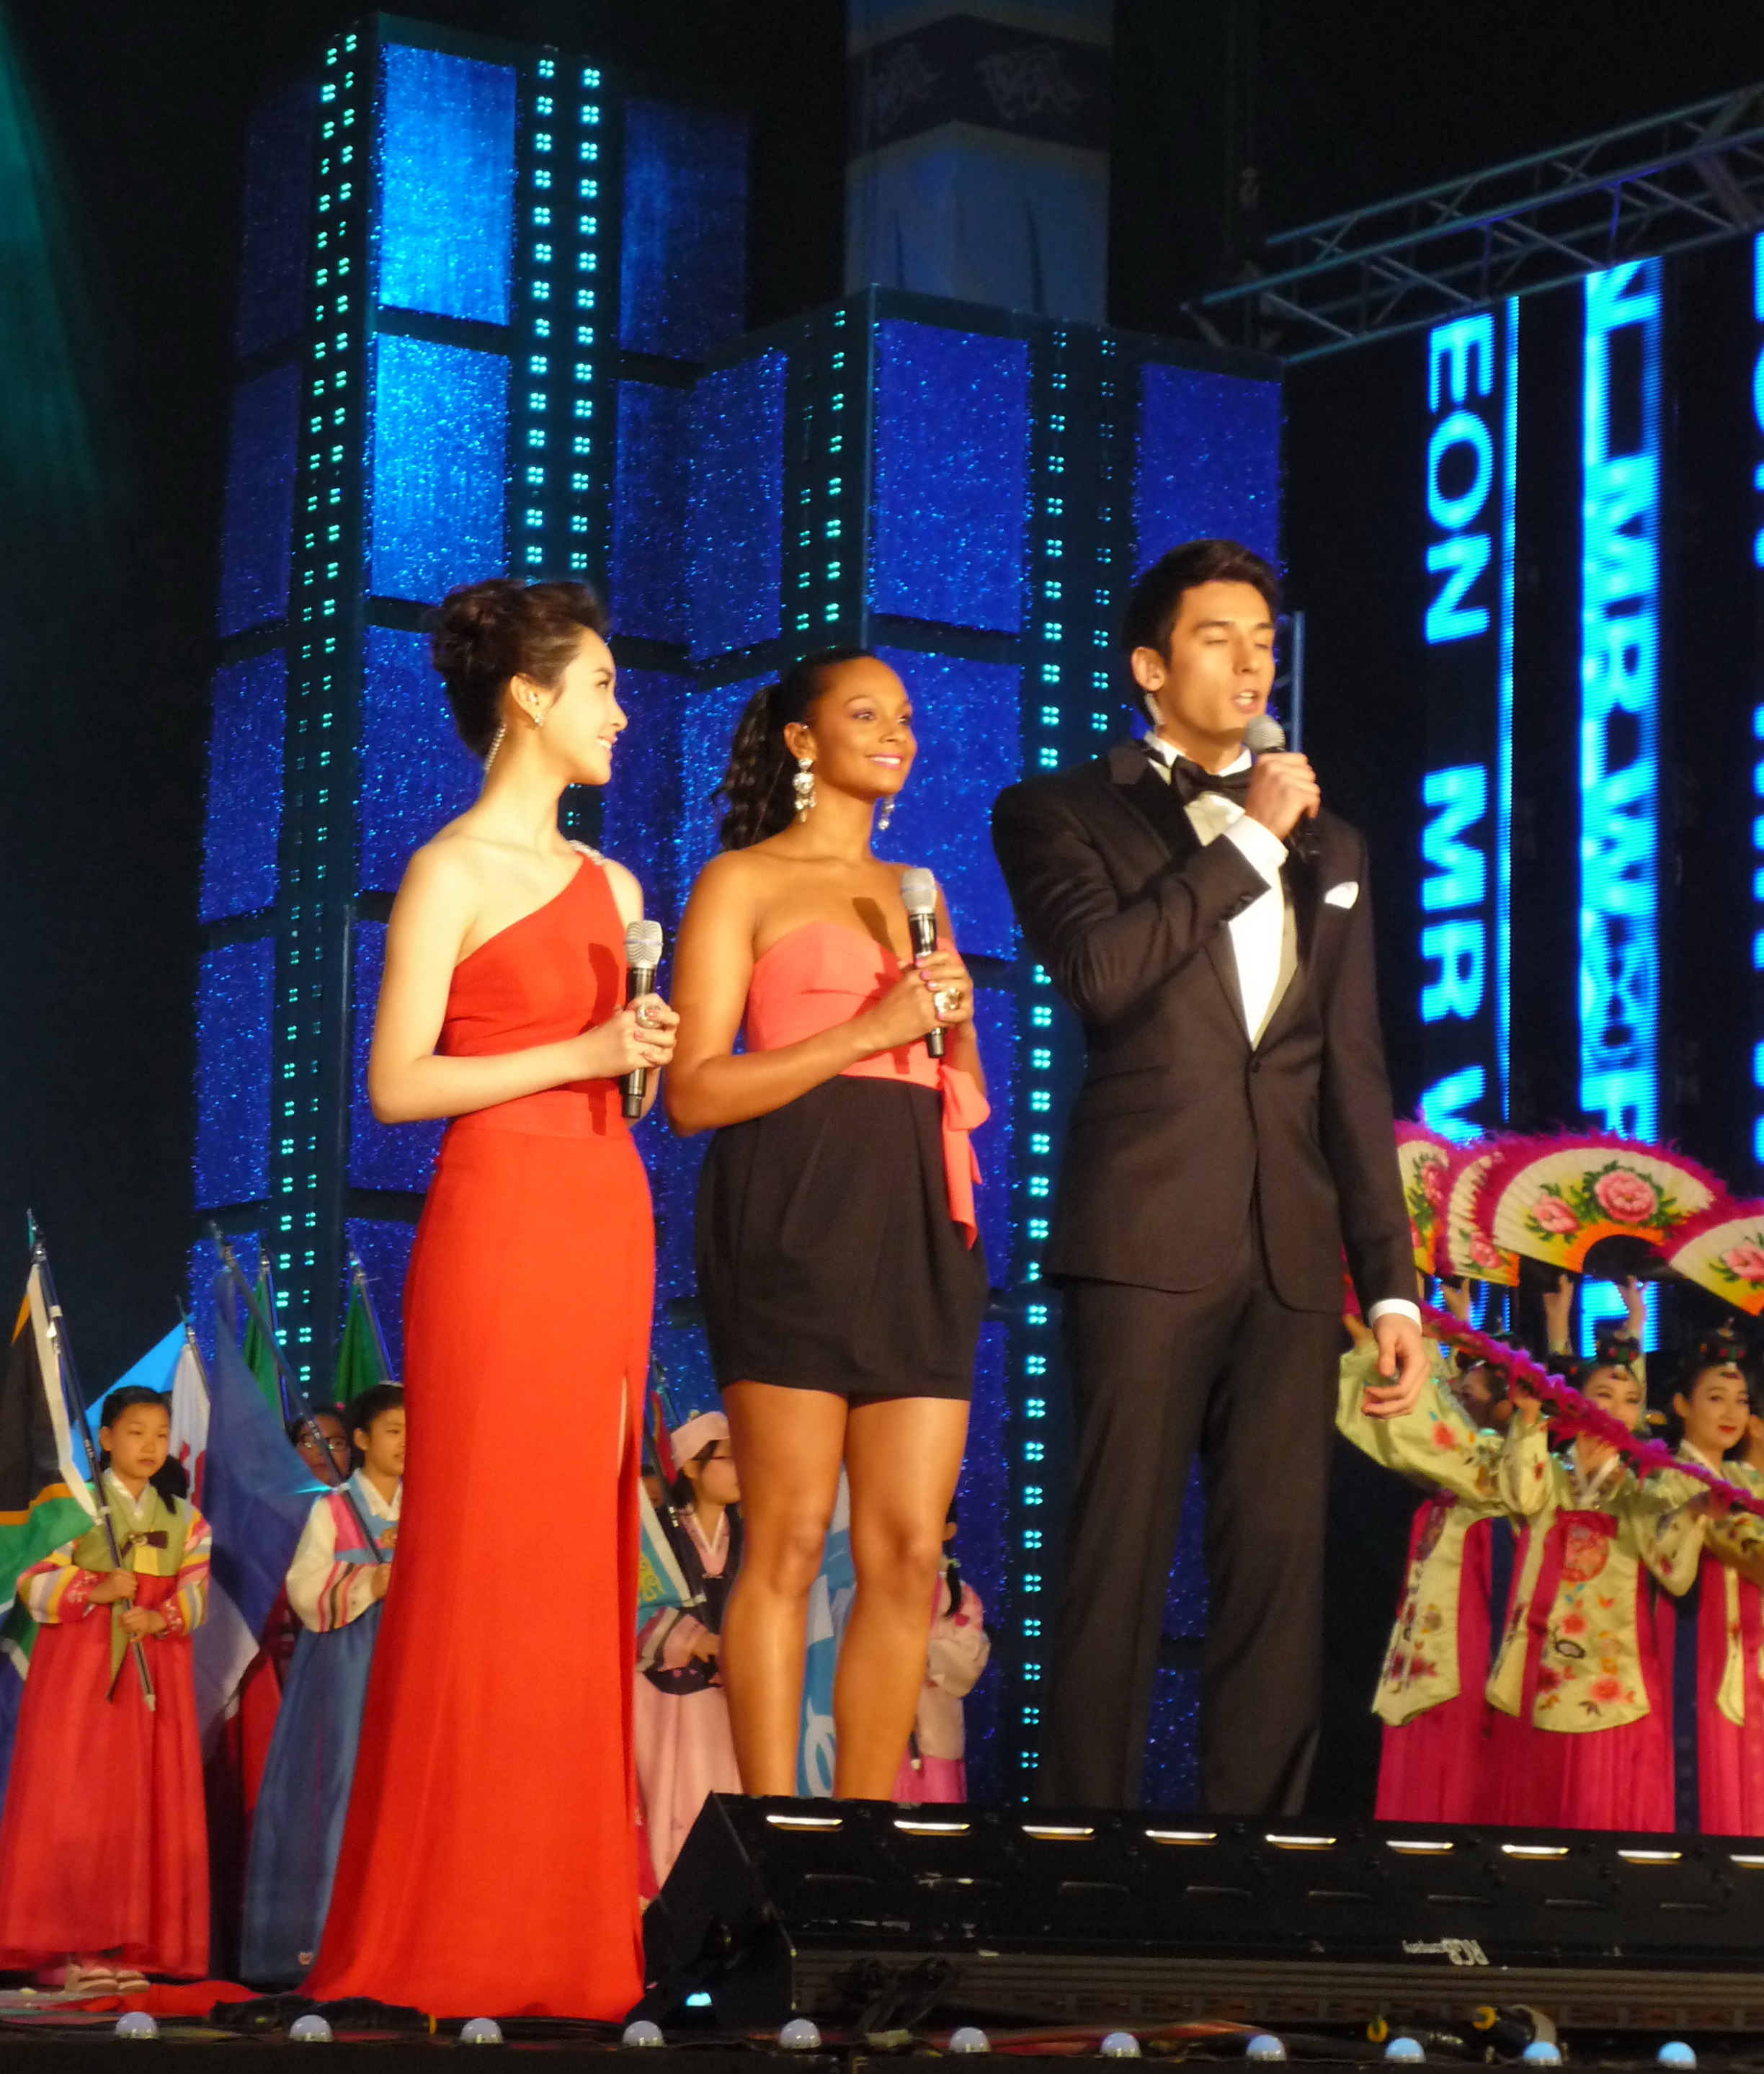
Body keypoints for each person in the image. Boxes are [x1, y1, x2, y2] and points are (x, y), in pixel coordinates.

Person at [990, 538, 1425, 1815]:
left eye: (1263, 642)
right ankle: (1081, 1849)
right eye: (1217, 638)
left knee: (1278, 1574)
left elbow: (1350, 1070)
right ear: (1149, 666)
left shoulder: (1337, 845)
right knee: (1115, 1557)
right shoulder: (1058, 810)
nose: (1249, 664)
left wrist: (1389, 1284)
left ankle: (1256, 1867)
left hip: (1289, 1249)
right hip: (1143, 1231)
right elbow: (1101, 975)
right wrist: (1246, 837)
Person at [306, 579, 678, 2019]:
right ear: (529, 695)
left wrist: (632, 1053)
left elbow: (614, 1081)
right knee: (480, 1558)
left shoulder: (620, 890)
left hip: (602, 1215)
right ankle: (437, 1929)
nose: (619, 713)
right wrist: (582, 1046)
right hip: (498, 1221)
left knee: (578, 1566)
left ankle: (564, 1937)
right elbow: (399, 1083)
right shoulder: (447, 869)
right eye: (600, 686)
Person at [667, 649, 989, 1802]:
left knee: (908, 1550)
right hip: (793, 1206)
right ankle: (771, 1835)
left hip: (918, 1212)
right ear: (803, 740)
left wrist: (953, 1022)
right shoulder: (740, 882)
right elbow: (694, 1092)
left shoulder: (920, 888)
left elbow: (959, 1085)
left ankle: (865, 1837)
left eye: (904, 715)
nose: (896, 732)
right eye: (865, 714)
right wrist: (867, 1029)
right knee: (792, 1537)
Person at [0, 1389, 210, 1992]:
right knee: (75, 1797)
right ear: (107, 1439)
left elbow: (198, 1590)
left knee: (142, 1801)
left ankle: (128, 1942)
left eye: (161, 1434)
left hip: (154, 1669)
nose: (150, 1445)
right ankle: (66, 1944)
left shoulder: (186, 1518)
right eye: (136, 1432)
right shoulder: (76, 1507)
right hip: (80, 1670)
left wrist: (160, 1617)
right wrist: (94, 1588)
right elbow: (31, 1577)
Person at [1490, 1339, 1707, 1831]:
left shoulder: (1642, 1489)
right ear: (1574, 1402)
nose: (1618, 1409)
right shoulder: (1548, 1473)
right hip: (1543, 1665)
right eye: (1604, 1395)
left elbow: (1674, 1572)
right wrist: (1529, 1419)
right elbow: (1521, 1498)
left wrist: (1695, 1512)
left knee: (1608, 1812)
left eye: (1631, 1400)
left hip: (1615, 1671)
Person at [241, 1385, 405, 1984]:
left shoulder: (428, 1508)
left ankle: (396, 1938)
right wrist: (366, 1583)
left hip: (407, 1660)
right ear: (361, 1440)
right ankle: (320, 1939)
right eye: (393, 1431)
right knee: (340, 1782)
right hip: (346, 1662)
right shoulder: (332, 1509)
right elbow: (305, 1588)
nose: (406, 1444)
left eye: (413, 1432)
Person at [1335, 1311, 1510, 1825]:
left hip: (1470, 1640)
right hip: (1433, 1643)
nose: (1454, 1392)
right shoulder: (1462, 1470)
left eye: (1467, 1389)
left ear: (1505, 1405)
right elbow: (1415, 1430)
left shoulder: (1497, 1464)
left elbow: (1428, 1430)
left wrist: (1384, 1349)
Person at [1656, 1336, 1764, 1835]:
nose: (1731, 1412)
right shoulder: (1668, 1478)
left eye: (1741, 1400)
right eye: (1716, 1398)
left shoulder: (1747, 1480)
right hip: (1703, 1643)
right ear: (1681, 1405)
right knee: (1712, 1771)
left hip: (1752, 1647)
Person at [635, 1412, 742, 1888]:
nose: (743, 1469)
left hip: (735, 1698)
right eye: (729, 1458)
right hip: (668, 1701)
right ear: (693, 1469)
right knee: (674, 1803)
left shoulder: (754, 1536)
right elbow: (628, 1605)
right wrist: (697, 1640)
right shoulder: (656, 1537)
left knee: (732, 1800)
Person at [891, 1505, 989, 1803]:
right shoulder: (878, 1587)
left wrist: (918, 1653)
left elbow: (967, 1663)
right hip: (879, 1734)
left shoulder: (961, 1597)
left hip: (934, 1740)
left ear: (948, 1530)